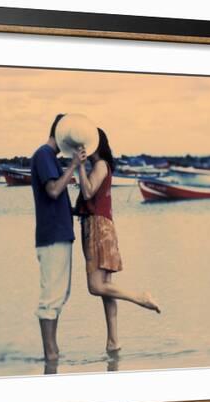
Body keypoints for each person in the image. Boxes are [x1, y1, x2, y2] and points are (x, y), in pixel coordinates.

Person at [75, 128, 160, 354]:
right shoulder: (103, 166)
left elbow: (87, 192)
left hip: (97, 227)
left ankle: (140, 298)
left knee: (96, 287)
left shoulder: (100, 165)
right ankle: (113, 341)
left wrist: (80, 166)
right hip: (105, 226)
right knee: (106, 289)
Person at [30, 114, 85, 362]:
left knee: (59, 296)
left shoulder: (50, 158)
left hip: (59, 234)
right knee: (51, 297)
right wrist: (73, 165)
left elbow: (56, 194)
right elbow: (53, 190)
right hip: (52, 236)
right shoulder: (43, 154)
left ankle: (53, 353)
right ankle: (50, 353)